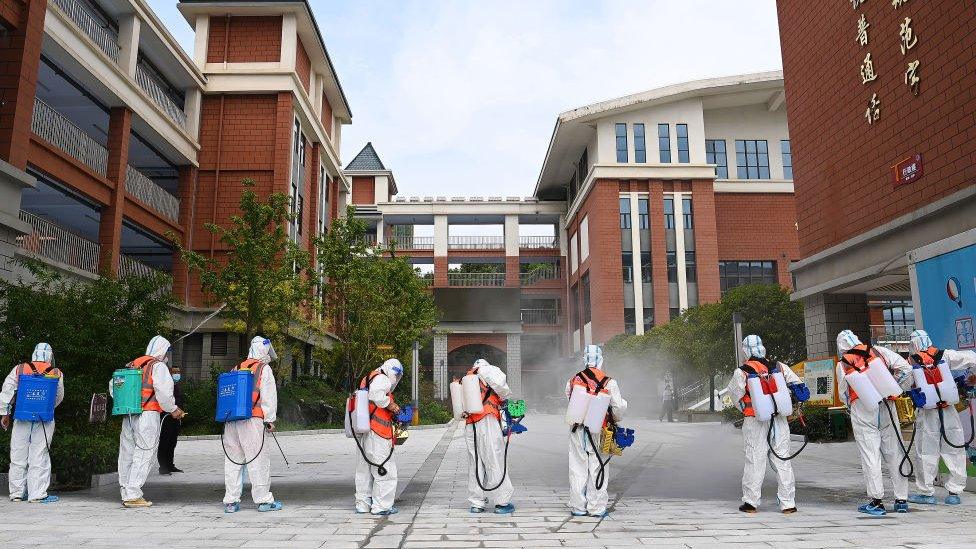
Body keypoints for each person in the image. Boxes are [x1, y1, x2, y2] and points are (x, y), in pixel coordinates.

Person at [835, 329, 913, 516]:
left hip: (863, 407)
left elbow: (844, 393)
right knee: (895, 451)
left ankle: (877, 502)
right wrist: (895, 387)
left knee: (870, 454)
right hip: (888, 403)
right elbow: (906, 369)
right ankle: (901, 500)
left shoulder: (843, 363)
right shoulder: (878, 351)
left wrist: (851, 406)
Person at [727, 335, 808, 514]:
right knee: (782, 458)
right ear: (763, 349)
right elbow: (802, 390)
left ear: (745, 351)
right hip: (779, 419)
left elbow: (735, 397)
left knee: (755, 459)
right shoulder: (780, 367)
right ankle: (788, 504)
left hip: (755, 421)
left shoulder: (742, 371)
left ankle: (751, 502)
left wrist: (752, 408)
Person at [906, 329, 976, 506]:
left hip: (927, 412)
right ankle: (954, 491)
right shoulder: (945, 355)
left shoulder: (912, 361)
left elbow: (905, 385)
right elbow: (972, 358)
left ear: (912, 344)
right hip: (948, 409)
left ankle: (926, 492)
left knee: (925, 451)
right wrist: (971, 378)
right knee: (954, 448)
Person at [114, 335, 186, 508]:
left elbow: (114, 387)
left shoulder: (132, 364)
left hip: (129, 414)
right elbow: (164, 394)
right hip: (148, 415)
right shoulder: (158, 366)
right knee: (144, 452)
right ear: (162, 351)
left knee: (127, 453)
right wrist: (174, 410)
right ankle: (133, 494)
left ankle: (125, 490)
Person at [566, 345, 627, 517]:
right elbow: (618, 409)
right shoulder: (610, 382)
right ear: (601, 360)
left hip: (577, 430)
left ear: (584, 360)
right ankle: (597, 508)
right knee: (598, 467)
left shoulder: (573, 380)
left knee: (577, 467)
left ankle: (578, 507)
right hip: (600, 430)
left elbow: (570, 400)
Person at [0, 343, 64, 503]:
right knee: (39, 453)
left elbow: (7, 390)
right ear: (50, 356)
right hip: (44, 419)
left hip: (22, 416)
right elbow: (58, 396)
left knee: (17, 454)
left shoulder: (20, 369)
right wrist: (46, 408)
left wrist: (5, 413)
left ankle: (16, 494)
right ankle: (37, 494)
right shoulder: (56, 372)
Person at [223, 337, 281, 513]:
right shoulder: (264, 369)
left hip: (231, 422)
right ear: (264, 352)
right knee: (257, 459)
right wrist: (270, 420)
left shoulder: (237, 367)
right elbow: (268, 397)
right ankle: (263, 500)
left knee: (233, 460)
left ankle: (231, 502)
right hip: (253, 421)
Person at [465, 358, 516, 515]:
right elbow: (503, 388)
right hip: (487, 419)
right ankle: (502, 502)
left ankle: (477, 503)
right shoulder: (488, 370)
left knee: (476, 462)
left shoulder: (466, 378)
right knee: (494, 459)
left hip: (470, 424)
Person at [354, 358, 404, 515]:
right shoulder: (382, 378)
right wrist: (391, 405)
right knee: (384, 469)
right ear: (391, 370)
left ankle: (363, 504)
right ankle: (381, 506)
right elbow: (376, 395)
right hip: (378, 431)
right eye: (396, 375)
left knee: (364, 470)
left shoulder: (369, 377)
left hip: (365, 430)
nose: (395, 379)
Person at [158, 367, 184, 475]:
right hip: (167, 417)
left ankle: (170, 465)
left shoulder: (176, 386)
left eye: (178, 372)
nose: (176, 374)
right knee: (165, 441)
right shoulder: (166, 385)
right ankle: (163, 467)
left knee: (172, 442)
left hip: (177, 417)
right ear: (169, 373)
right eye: (174, 372)